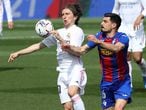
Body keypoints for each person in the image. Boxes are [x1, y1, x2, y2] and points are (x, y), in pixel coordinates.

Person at [8, 4, 87, 110]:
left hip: (75, 69)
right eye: (63, 14)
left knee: (72, 92)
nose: (64, 16)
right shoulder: (59, 32)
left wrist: (60, 39)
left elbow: (78, 52)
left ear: (75, 17)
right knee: (68, 107)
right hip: (62, 72)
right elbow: (38, 46)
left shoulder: (77, 31)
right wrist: (18, 53)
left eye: (67, 14)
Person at [54, 13, 132, 110]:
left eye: (105, 21)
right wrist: (67, 46)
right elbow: (82, 50)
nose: (102, 23)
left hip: (122, 82)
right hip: (106, 82)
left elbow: (116, 48)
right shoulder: (99, 36)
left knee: (118, 108)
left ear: (114, 25)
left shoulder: (122, 37)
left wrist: (98, 42)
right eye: (102, 21)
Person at [112, 0, 146, 89]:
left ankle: (145, 73)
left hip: (136, 29)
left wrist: (141, 16)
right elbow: (116, 10)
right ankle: (128, 84)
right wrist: (113, 22)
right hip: (123, 28)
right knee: (126, 56)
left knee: (137, 58)